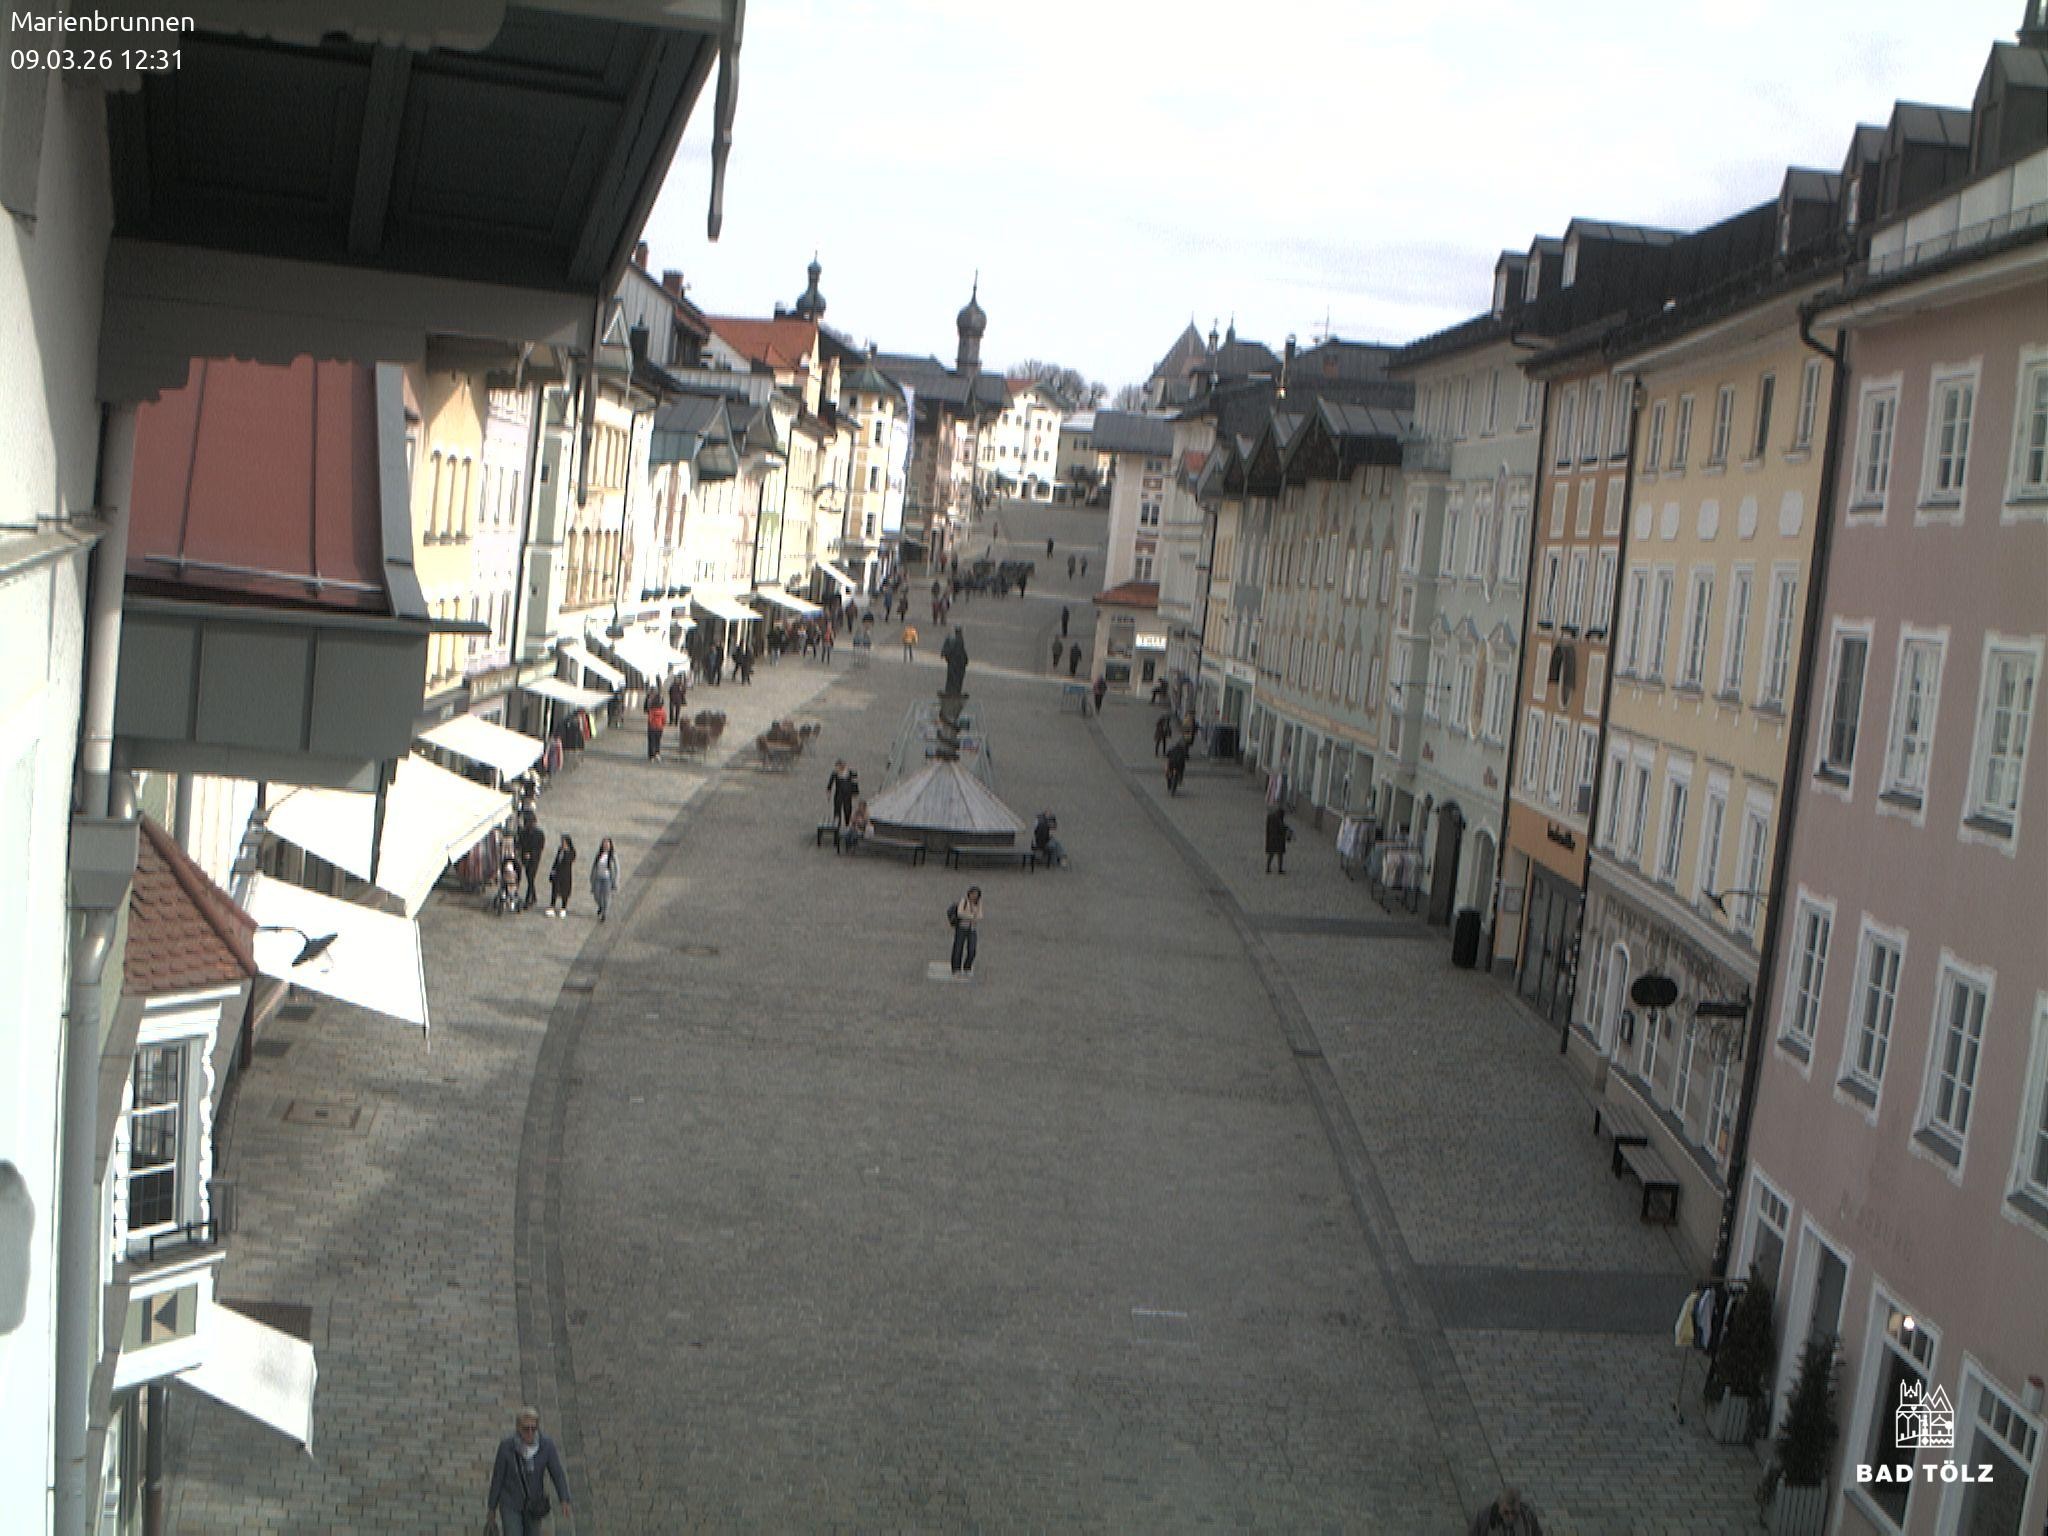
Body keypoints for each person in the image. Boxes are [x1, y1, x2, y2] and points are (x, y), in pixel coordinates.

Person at [486, 1406, 573, 1536]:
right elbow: (498, 1478)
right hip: (511, 1503)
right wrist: (492, 1507)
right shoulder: (507, 1447)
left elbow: (557, 1473)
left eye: (534, 1428)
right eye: (526, 1429)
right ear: (518, 1428)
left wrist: (564, 1498)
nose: (530, 1432)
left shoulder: (546, 1445)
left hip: (534, 1504)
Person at [1469, 1487, 1542, 1535]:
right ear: (1499, 1505)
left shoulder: (1528, 1516)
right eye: (1506, 1512)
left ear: (1519, 1506)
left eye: (1514, 1512)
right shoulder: (1484, 1518)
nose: (1510, 1517)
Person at [514, 812, 546, 911]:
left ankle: (528, 900)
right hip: (525, 858)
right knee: (529, 877)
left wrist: (531, 854)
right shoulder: (523, 833)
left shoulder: (539, 834)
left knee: (531, 877)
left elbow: (540, 847)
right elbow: (520, 844)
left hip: (534, 859)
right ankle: (534, 896)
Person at [949, 885, 983, 975]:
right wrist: (972, 916)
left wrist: (972, 917)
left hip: (972, 928)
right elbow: (960, 913)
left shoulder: (978, 904)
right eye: (973, 894)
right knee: (958, 948)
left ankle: (967, 966)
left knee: (972, 949)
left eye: (976, 894)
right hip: (962, 927)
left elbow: (980, 915)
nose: (974, 896)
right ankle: (956, 968)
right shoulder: (964, 902)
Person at [590, 837, 620, 922]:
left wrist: (616, 880)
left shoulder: (613, 855)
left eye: (607, 844)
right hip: (598, 877)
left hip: (607, 879)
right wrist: (592, 877)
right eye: (604, 844)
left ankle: (604, 913)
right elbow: (594, 866)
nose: (606, 846)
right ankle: (601, 906)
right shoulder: (599, 854)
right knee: (597, 895)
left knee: (606, 897)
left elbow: (617, 868)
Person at [547, 833, 576, 916]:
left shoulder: (571, 852)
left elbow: (568, 860)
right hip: (557, 873)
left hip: (566, 874)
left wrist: (566, 851)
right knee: (554, 890)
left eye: (564, 842)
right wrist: (553, 870)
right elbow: (556, 860)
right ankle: (552, 906)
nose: (562, 843)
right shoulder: (560, 850)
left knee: (564, 891)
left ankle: (563, 907)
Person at [826, 760, 859, 828]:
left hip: (848, 794)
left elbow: (855, 783)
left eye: (838, 766)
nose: (837, 768)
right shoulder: (835, 773)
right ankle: (837, 825)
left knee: (847, 809)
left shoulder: (851, 773)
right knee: (837, 809)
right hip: (839, 793)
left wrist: (855, 792)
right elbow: (830, 783)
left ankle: (848, 824)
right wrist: (829, 791)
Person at [1265, 805, 1294, 874]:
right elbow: (1281, 828)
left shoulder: (1270, 817)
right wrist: (1288, 830)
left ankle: (1268, 868)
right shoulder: (1278, 819)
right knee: (1280, 854)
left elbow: (1268, 828)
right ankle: (1279, 869)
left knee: (1271, 854)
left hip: (1271, 838)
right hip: (1279, 839)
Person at [645, 693, 666, 761]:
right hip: (659, 728)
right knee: (658, 741)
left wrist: (650, 725)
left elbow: (650, 719)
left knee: (651, 741)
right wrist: (662, 725)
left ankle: (651, 756)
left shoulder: (652, 710)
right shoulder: (662, 710)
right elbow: (664, 719)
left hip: (652, 728)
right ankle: (657, 753)